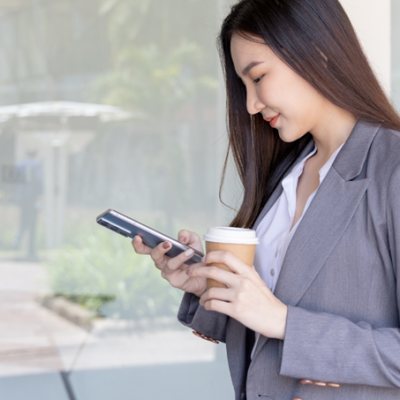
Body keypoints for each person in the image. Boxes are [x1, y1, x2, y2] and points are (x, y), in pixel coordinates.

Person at [132, 0, 400, 399]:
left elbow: (280, 323)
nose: (251, 105)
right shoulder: (287, 175)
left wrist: (288, 325)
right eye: (244, 86)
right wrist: (206, 284)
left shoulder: (390, 168)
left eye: (257, 78)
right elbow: (266, 336)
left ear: (317, 52)